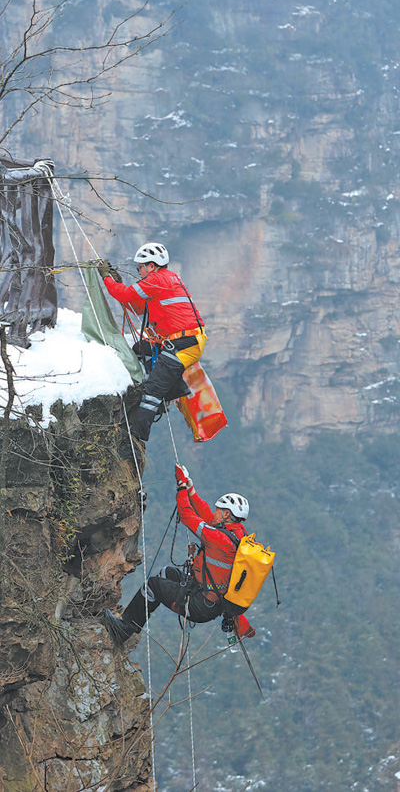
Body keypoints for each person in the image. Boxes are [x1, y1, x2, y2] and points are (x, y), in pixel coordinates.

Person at [103, 464, 255, 646]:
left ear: (226, 514)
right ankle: (131, 616)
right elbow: (205, 513)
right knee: (166, 573)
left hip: (201, 605)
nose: (214, 512)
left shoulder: (219, 539)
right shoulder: (237, 534)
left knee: (154, 585)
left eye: (218, 510)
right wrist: (190, 489)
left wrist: (181, 488)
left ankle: (124, 630)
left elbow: (187, 515)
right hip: (207, 595)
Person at [98, 243, 207, 445]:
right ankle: (175, 387)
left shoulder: (157, 279)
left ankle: (136, 434)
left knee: (152, 391)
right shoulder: (167, 279)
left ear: (150, 266)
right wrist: (117, 283)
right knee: (141, 349)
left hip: (183, 343)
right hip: (184, 340)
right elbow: (138, 307)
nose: (139, 272)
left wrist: (106, 278)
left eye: (139, 267)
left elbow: (124, 295)